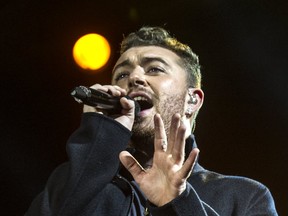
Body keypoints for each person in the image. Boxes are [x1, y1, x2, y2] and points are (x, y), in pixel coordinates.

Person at [26, 26, 278, 215]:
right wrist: (97, 137)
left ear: (192, 100)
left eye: (154, 69)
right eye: (122, 74)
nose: (134, 78)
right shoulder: (74, 180)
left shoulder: (244, 196)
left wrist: (177, 203)